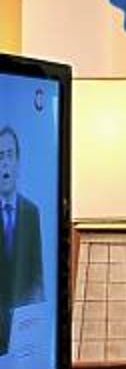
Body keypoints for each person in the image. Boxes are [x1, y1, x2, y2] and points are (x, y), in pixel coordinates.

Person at [0, 125, 43, 311]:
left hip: (23, 321)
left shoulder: (32, 213)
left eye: (9, 155)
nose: (4, 163)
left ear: (17, 163)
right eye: (0, 156)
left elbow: (37, 277)